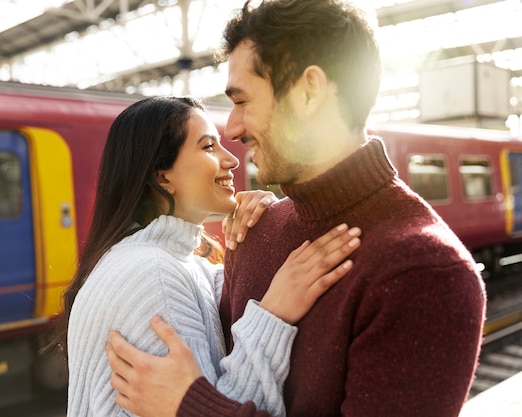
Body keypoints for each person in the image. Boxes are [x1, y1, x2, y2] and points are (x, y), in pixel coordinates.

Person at [105, 1, 487, 417]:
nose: (232, 128)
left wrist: (190, 407)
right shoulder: (256, 229)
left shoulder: (424, 271)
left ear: (309, 91)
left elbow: (207, 393)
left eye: (243, 101)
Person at [54, 95, 362, 416]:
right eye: (208, 147)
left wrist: (271, 219)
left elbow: (233, 301)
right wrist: (274, 314)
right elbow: (207, 405)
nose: (232, 161)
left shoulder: (180, 264)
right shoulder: (153, 272)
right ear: (162, 177)